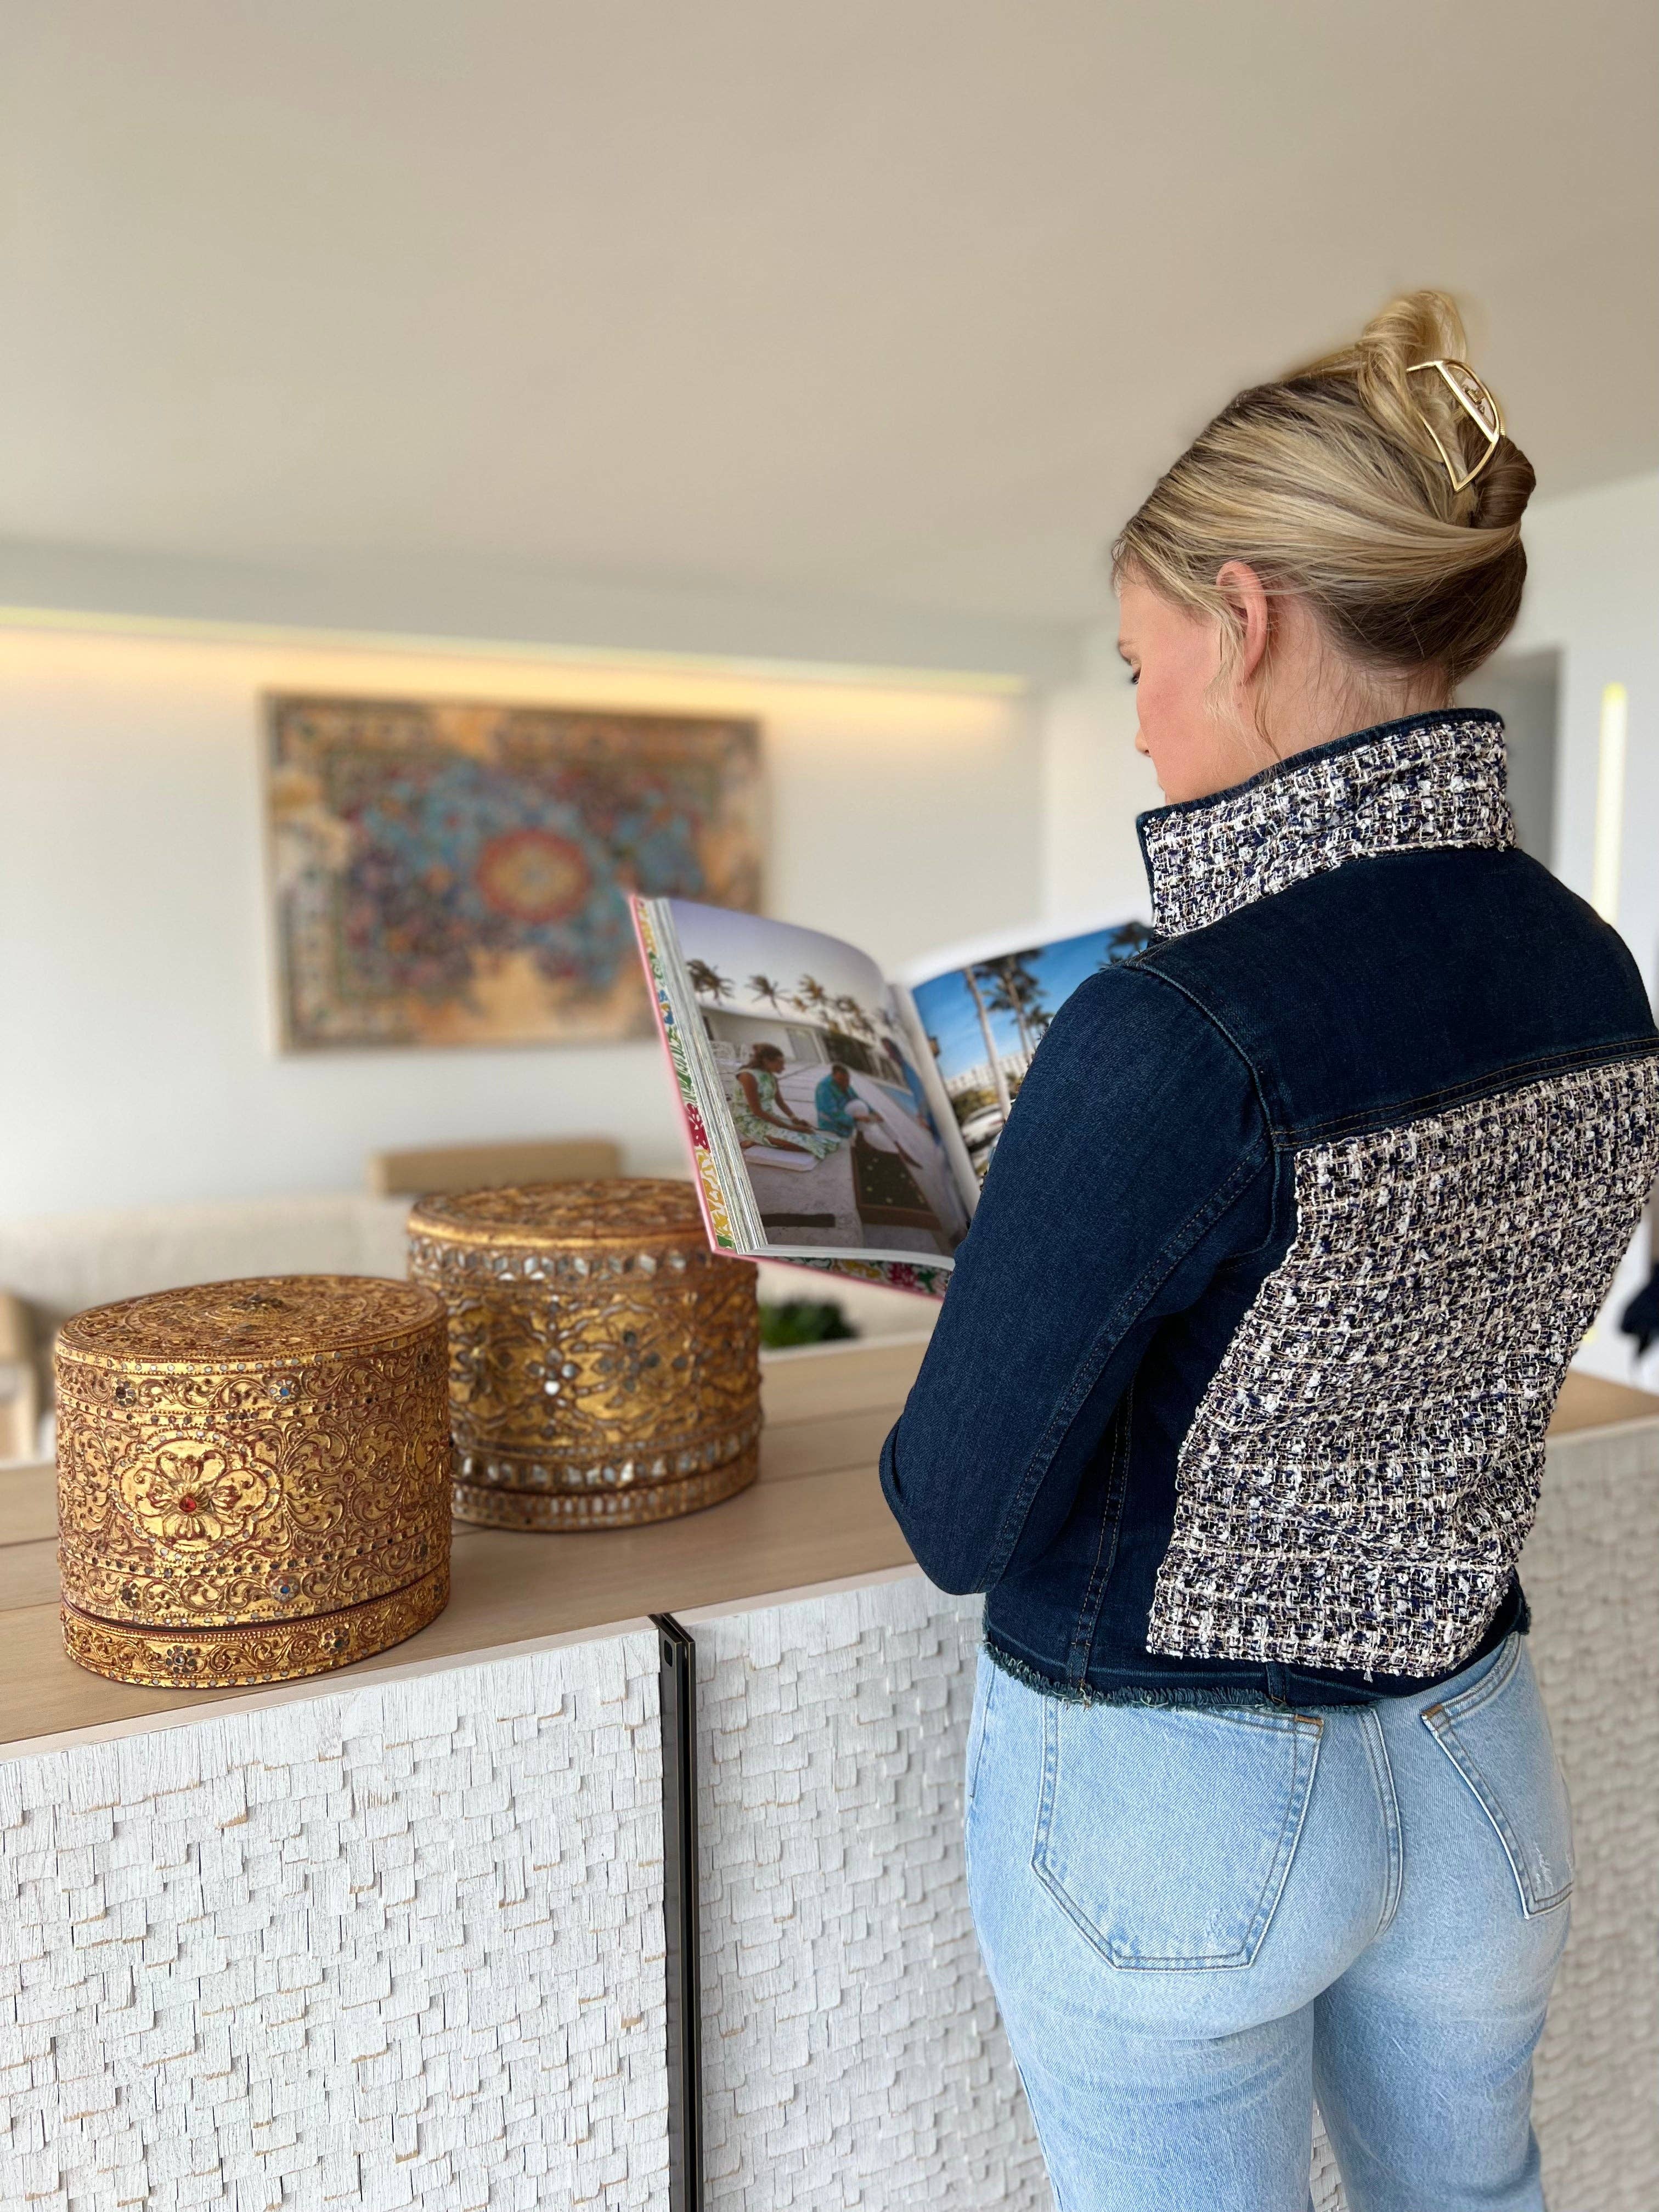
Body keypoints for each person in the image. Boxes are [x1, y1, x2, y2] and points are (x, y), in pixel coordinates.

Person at [879, 291, 1659, 2212]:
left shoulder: (1174, 1026)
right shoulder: (1591, 966)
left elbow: (957, 1515)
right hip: (1475, 1770)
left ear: (1245, 621)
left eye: (1139, 665)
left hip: (1184, 1821)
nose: (1139, 721)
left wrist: (1000, 1254)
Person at [730, 1043, 839, 1159]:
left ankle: (764, 1139)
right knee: (804, 1145)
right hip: (750, 1121)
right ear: (767, 1061)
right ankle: (757, 1140)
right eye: (780, 1063)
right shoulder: (748, 1076)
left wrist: (795, 1120)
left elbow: (780, 1102)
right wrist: (789, 1127)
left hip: (767, 1117)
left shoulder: (771, 1077)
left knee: (809, 1133)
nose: (783, 1067)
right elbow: (757, 1111)